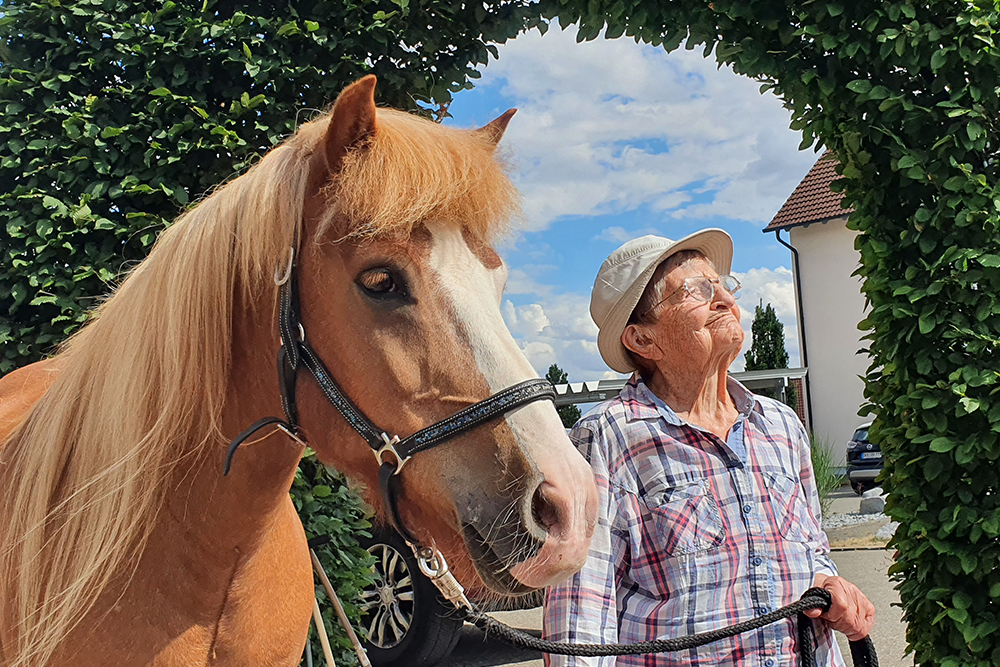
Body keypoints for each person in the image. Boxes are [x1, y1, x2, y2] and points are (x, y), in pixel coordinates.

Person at [542, 230, 874, 667]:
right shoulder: (607, 437)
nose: (724, 300)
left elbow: (812, 548)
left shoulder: (780, 425)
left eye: (722, 284)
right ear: (643, 340)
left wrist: (830, 584)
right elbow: (581, 621)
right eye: (696, 290)